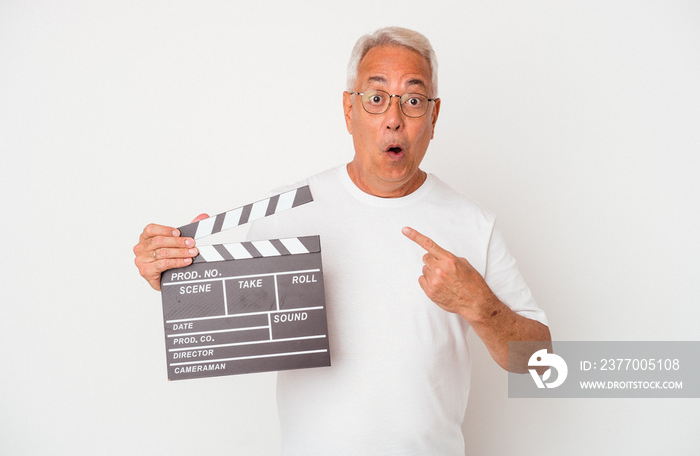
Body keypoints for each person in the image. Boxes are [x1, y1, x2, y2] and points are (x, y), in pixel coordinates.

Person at [134, 27, 551, 455]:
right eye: (375, 98)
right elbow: (223, 318)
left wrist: (479, 306)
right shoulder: (285, 214)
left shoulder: (474, 224)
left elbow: (539, 364)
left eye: (412, 100)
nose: (394, 118)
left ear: (433, 116)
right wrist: (173, 274)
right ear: (349, 110)